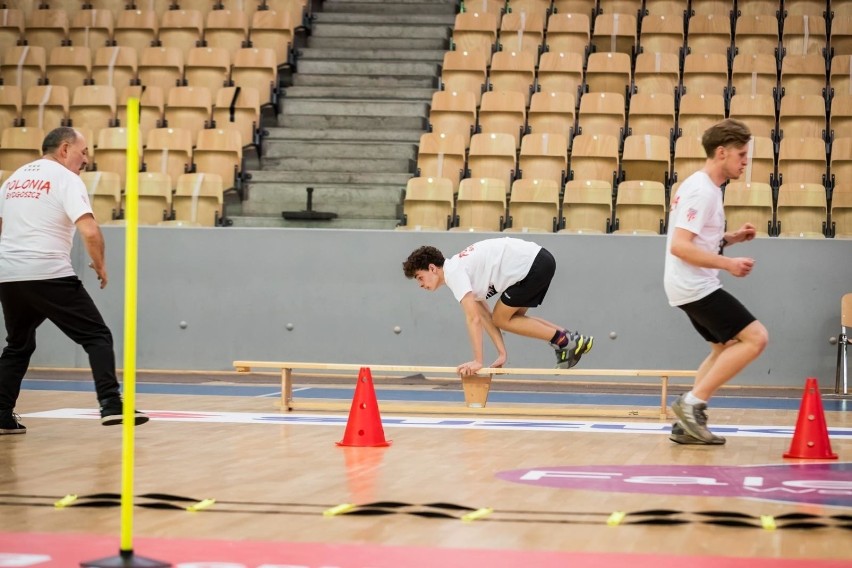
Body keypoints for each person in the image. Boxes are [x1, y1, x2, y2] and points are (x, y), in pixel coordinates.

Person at [0, 127, 149, 435]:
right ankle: (110, 403)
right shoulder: (66, 179)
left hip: (10, 275)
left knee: (18, 344)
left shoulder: (13, 180)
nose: (86, 160)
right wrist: (101, 265)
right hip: (48, 273)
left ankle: (1, 413)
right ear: (65, 149)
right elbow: (90, 230)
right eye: (83, 152)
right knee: (97, 336)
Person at [665, 119, 769, 445]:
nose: (745, 161)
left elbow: (698, 240)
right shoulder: (701, 191)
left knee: (722, 348)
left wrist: (731, 239)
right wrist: (729, 264)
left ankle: (686, 426)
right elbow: (680, 247)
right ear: (721, 152)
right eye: (740, 154)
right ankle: (691, 404)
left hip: (687, 285)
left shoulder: (705, 187)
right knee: (756, 338)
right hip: (695, 285)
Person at [402, 237, 593, 376]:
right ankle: (573, 339)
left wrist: (478, 361)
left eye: (420, 277)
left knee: (502, 318)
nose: (420, 284)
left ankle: (565, 342)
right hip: (539, 261)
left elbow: (473, 319)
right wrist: (502, 354)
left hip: (533, 265)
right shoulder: (460, 270)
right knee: (510, 319)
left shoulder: (454, 273)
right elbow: (484, 315)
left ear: (433, 269)